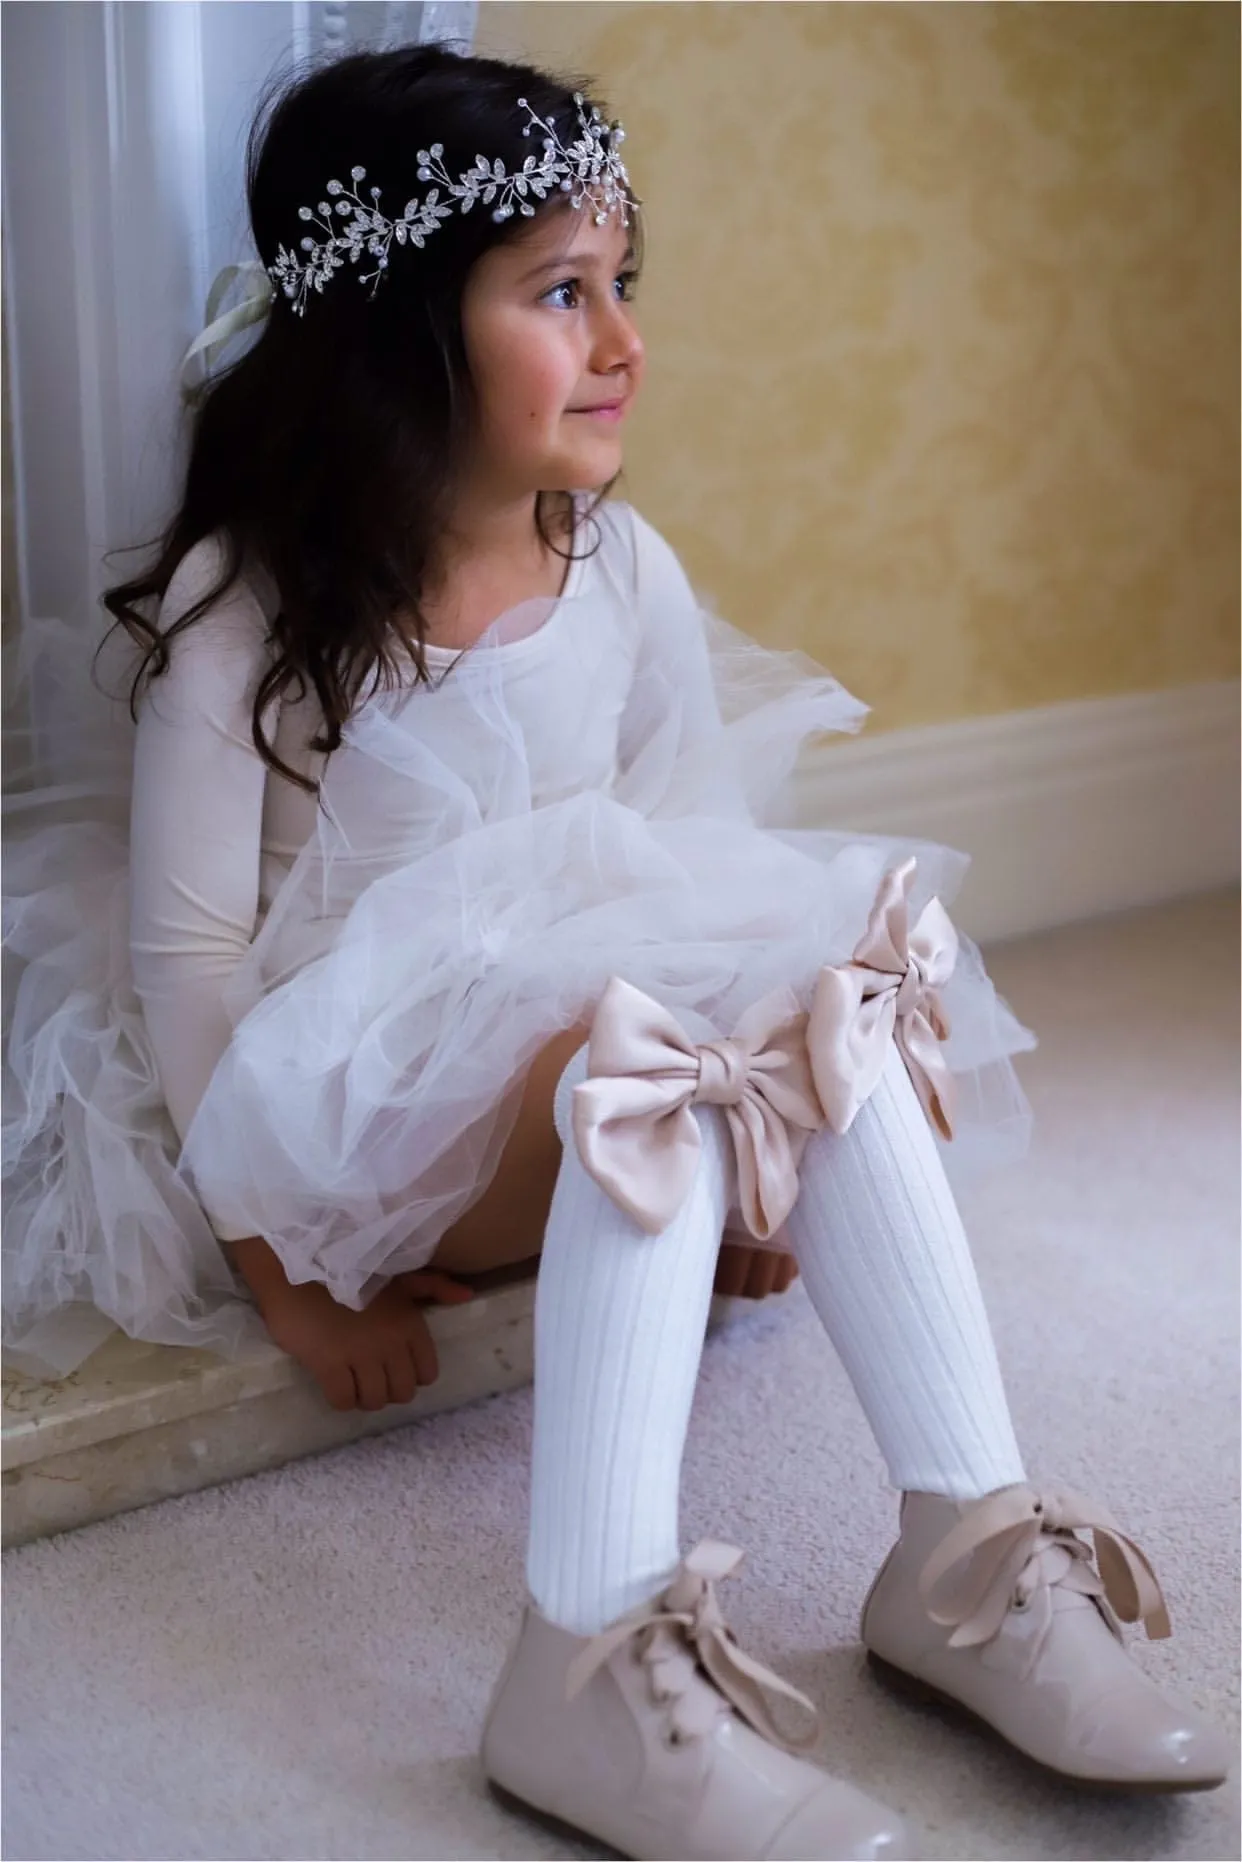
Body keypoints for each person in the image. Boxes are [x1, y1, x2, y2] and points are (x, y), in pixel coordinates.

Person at [1, 40, 1228, 1859]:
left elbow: (683, 847)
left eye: (620, 285)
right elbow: (191, 969)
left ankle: (965, 1548)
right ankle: (585, 1651)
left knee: (829, 986)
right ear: (395, 336)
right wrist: (282, 1271)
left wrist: (764, 1158)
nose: (626, 338)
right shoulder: (250, 607)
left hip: (576, 1036)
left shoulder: (612, 561)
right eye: (560, 294)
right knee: (633, 1056)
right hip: (350, 1115)